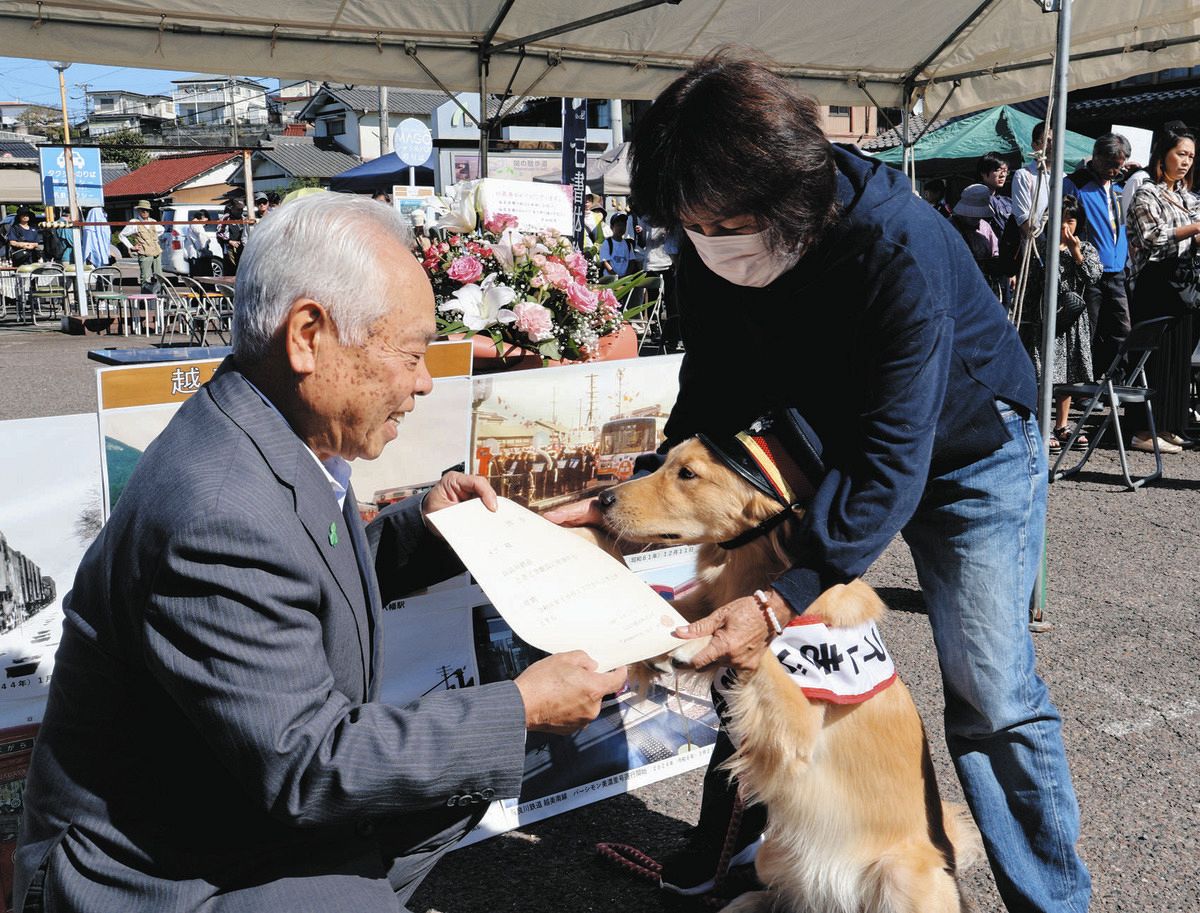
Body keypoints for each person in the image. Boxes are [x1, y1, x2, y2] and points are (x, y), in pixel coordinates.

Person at [548, 54, 1089, 913]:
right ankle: (730, 855)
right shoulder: (712, 246)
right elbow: (713, 401)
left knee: (991, 693)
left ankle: (1052, 901)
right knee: (747, 647)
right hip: (826, 439)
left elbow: (890, 461)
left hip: (968, 445)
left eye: (723, 219)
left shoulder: (896, 247)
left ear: (787, 193)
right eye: (692, 223)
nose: (708, 238)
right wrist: (631, 505)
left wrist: (784, 593)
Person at [13, 192, 625, 913]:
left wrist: (421, 532)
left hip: (222, 805)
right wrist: (520, 706)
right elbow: (306, 760)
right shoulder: (217, 507)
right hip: (163, 869)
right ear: (308, 334)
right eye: (410, 351)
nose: (424, 381)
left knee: (462, 777)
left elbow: (290, 578)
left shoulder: (263, 433)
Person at [1125, 123, 1200, 454]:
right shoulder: (1146, 192)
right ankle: (1143, 429)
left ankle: (1169, 426)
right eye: (1180, 154)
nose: (1186, 162)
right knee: (1154, 357)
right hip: (1155, 281)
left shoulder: (1189, 197)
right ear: (1163, 155)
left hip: (1185, 281)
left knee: (1179, 356)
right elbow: (1152, 238)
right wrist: (1193, 228)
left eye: (1191, 156)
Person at [1021, 195, 1101, 453]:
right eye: (1060, 220)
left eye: (1071, 220)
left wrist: (1075, 252)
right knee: (1044, 372)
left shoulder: (1086, 247)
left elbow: (1093, 276)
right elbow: (1032, 284)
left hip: (1073, 318)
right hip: (1046, 316)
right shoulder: (1041, 247)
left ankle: (1062, 424)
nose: (1066, 227)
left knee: (1068, 374)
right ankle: (1040, 423)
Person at [1066, 132, 1133, 372]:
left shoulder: (1120, 187)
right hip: (1086, 269)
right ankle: (1082, 386)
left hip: (1117, 270)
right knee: (1088, 329)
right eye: (1109, 164)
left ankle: (1113, 381)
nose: (1114, 170)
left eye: (1119, 165)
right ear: (1095, 157)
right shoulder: (1075, 184)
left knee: (1122, 329)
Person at [951, 183, 1005, 298]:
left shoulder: (986, 227)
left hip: (984, 286)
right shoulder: (949, 227)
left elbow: (995, 253)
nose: (976, 218)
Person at [118, 200, 162, 287]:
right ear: (139, 211)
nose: (145, 212)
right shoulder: (134, 222)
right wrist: (131, 247)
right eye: (142, 210)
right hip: (144, 253)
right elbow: (122, 235)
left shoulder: (153, 221)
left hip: (156, 252)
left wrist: (155, 240)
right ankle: (145, 298)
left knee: (159, 276)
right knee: (145, 277)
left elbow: (162, 230)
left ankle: (159, 296)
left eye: (147, 210)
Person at [976, 150, 1013, 238]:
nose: (1003, 175)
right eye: (998, 170)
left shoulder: (1007, 201)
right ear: (983, 173)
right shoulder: (975, 199)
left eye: (1005, 171)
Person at [598, 212, 638, 280]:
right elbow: (605, 262)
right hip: (610, 280)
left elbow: (631, 262)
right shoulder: (607, 243)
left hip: (625, 281)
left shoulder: (628, 244)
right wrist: (616, 277)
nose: (621, 228)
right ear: (612, 227)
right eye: (618, 225)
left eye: (623, 225)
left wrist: (626, 277)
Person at [183, 209, 221, 278]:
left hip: (194, 253)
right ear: (204, 218)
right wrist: (205, 250)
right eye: (206, 220)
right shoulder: (197, 225)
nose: (206, 223)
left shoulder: (192, 224)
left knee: (196, 275)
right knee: (203, 276)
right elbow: (202, 237)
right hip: (199, 255)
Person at [217, 199, 246, 275]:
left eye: (241, 209)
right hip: (230, 249)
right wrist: (230, 241)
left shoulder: (244, 219)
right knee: (231, 270)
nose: (240, 211)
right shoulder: (226, 218)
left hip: (242, 248)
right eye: (238, 209)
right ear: (232, 208)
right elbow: (219, 233)